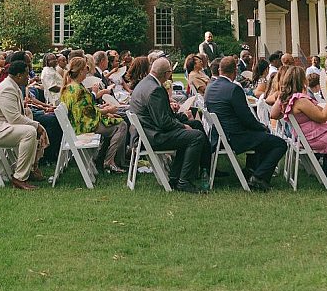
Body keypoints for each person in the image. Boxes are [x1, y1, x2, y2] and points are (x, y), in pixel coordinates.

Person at [205, 56, 286, 191]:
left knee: (262, 137)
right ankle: (259, 177)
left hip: (219, 135)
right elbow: (246, 118)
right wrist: (261, 127)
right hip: (235, 137)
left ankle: (251, 169)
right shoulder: (233, 89)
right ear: (235, 71)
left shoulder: (210, 86)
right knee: (279, 143)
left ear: (220, 70)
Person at [131, 57, 210, 194]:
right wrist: (182, 126)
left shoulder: (145, 83)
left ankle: (200, 168)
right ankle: (184, 181)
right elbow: (164, 122)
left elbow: (162, 115)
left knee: (196, 124)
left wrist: (183, 117)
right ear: (167, 74)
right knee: (195, 137)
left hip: (148, 130)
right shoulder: (156, 89)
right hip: (155, 136)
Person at [0, 59, 47, 190]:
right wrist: (37, 125)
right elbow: (14, 119)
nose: (29, 77)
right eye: (27, 74)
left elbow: (17, 115)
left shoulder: (11, 86)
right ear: (19, 75)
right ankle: (19, 178)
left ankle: (30, 169)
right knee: (29, 132)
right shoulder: (7, 89)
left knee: (29, 121)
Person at [59, 56, 128, 172]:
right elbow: (86, 112)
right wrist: (107, 111)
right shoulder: (78, 89)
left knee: (116, 121)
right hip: (84, 125)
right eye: (86, 68)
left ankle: (105, 159)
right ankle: (109, 160)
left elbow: (85, 109)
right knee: (121, 125)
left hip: (78, 123)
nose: (88, 70)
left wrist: (102, 109)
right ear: (81, 71)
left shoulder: (69, 87)